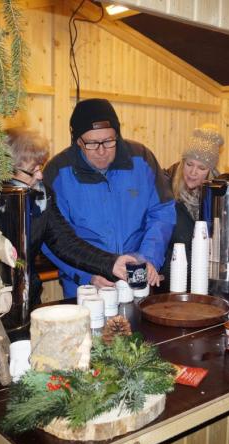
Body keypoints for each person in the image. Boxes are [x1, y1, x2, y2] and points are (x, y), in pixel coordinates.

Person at [42, 99, 176, 297]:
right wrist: (87, 275)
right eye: (92, 143)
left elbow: (162, 213)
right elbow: (50, 237)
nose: (102, 151)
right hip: (85, 286)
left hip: (137, 276)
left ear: (118, 135)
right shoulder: (57, 172)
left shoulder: (142, 159)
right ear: (78, 141)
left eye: (108, 141)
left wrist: (149, 258)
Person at [0, 127, 135, 306]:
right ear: (7, 172)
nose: (40, 175)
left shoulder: (42, 195)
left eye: (41, 167)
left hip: (27, 294)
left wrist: (111, 263)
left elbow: (65, 242)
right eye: (32, 170)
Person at [160, 124, 224, 286]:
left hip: (204, 279)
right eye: (189, 164)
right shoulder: (164, 188)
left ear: (210, 171)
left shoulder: (218, 194)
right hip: (171, 278)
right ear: (183, 162)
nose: (193, 172)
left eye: (201, 168)